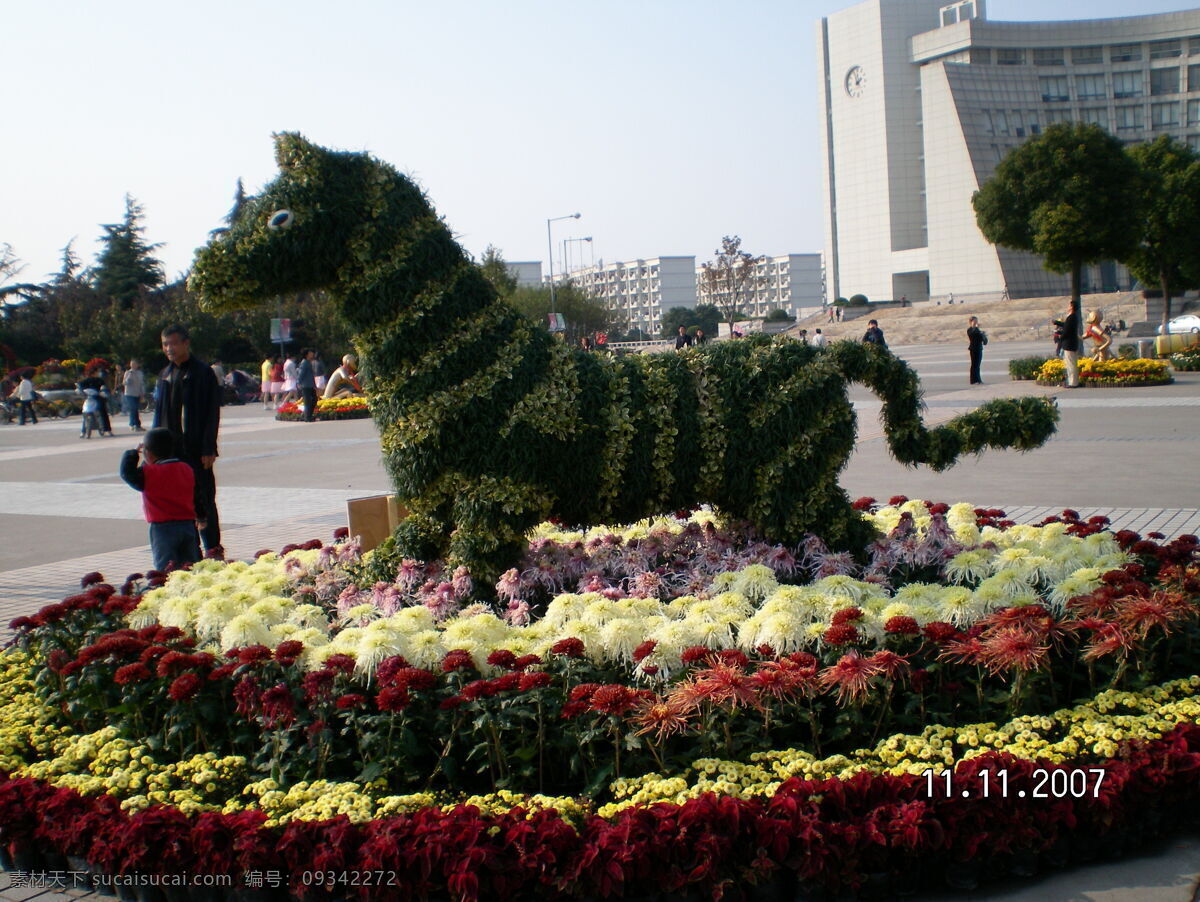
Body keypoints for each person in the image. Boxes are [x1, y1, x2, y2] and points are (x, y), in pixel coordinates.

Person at [153, 324, 222, 554]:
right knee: (180, 503)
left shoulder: (202, 373)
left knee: (204, 498)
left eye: (173, 343)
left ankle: (213, 548)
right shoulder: (165, 375)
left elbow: (211, 413)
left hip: (196, 449)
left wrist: (208, 448)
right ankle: (191, 550)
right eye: (165, 344)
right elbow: (158, 414)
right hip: (170, 453)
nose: (169, 349)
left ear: (186, 343)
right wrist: (153, 449)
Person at [120, 426, 200, 572]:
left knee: (166, 568)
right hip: (187, 524)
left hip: (163, 528)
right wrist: (202, 515)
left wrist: (132, 454)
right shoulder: (186, 468)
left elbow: (127, 473)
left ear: (148, 453)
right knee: (190, 565)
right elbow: (197, 494)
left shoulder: (148, 473)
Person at [1053, 305, 1081, 388]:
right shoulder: (1073, 317)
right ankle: (1073, 381)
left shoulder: (1071, 317)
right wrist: (1057, 322)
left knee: (1070, 364)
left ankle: (1073, 383)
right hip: (1071, 344)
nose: (1067, 306)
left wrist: (1060, 338)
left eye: (1069, 305)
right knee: (1072, 363)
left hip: (1069, 344)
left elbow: (1067, 330)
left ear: (1072, 307)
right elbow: (1066, 325)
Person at [123, 359, 146, 431]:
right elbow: (124, 383)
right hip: (129, 393)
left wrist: (142, 393)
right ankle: (134, 424)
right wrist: (129, 376)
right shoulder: (127, 372)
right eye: (132, 364)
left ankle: (135, 425)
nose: (133, 365)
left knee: (135, 409)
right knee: (133, 408)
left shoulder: (140, 373)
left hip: (137, 393)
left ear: (137, 365)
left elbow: (141, 383)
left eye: (134, 364)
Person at [297, 348, 318, 422]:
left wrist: (314, 385)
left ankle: (309, 415)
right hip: (305, 385)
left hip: (310, 385)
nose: (312, 354)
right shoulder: (304, 363)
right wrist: (298, 382)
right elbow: (301, 374)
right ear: (307, 355)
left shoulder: (308, 362)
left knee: (314, 399)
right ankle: (307, 417)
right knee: (308, 401)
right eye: (310, 353)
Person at [967, 316, 987, 385]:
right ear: (970, 322)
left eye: (976, 321)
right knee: (974, 365)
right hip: (973, 349)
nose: (976, 323)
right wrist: (976, 328)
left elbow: (983, 340)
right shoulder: (969, 330)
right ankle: (973, 380)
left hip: (979, 349)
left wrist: (983, 335)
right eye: (974, 321)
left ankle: (978, 380)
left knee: (977, 365)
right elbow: (972, 335)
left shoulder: (978, 330)